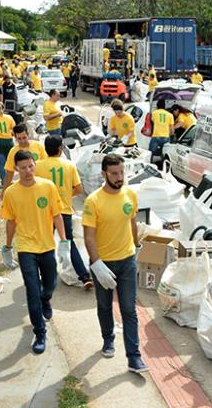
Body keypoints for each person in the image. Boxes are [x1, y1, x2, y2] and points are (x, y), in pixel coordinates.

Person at [82, 153, 148, 373]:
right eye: (114, 173)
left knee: (129, 309)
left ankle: (134, 357)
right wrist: (97, 263)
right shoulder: (94, 201)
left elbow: (132, 223)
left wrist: (137, 247)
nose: (120, 177)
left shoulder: (130, 194)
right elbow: (89, 236)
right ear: (104, 174)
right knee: (104, 305)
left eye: (122, 172)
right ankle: (108, 339)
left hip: (127, 260)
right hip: (104, 263)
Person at [1, 150, 69, 354]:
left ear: (34, 164)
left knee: (50, 284)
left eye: (30, 166)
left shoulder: (47, 187)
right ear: (17, 169)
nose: (28, 171)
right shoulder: (11, 193)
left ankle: (46, 298)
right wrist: (8, 246)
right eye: (23, 168)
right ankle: (40, 332)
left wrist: (64, 241)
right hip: (25, 247)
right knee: (32, 290)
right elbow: (10, 221)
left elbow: (57, 215)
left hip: (46, 245)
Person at [36, 136, 93, 290]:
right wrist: (66, 195)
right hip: (64, 209)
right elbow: (79, 188)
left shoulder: (38, 166)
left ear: (45, 149)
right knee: (69, 241)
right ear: (60, 149)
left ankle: (44, 275)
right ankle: (84, 276)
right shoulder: (69, 165)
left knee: (45, 243)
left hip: (45, 211)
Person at [2, 124, 48, 196]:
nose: (22, 141)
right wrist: (4, 191)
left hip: (40, 185)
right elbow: (9, 173)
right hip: (25, 186)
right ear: (15, 138)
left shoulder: (38, 146)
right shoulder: (13, 151)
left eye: (24, 137)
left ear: (28, 134)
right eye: (19, 139)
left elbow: (46, 166)